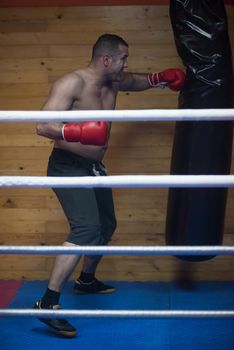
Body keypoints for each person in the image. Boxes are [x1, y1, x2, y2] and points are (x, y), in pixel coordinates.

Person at [34, 33, 185, 338]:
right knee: (86, 229)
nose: (126, 64)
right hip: (66, 168)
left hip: (94, 167)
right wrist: (76, 131)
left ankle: (86, 280)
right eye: (123, 58)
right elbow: (42, 125)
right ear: (106, 59)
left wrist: (161, 79)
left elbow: (137, 82)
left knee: (105, 226)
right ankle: (47, 304)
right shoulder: (72, 83)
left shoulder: (114, 81)